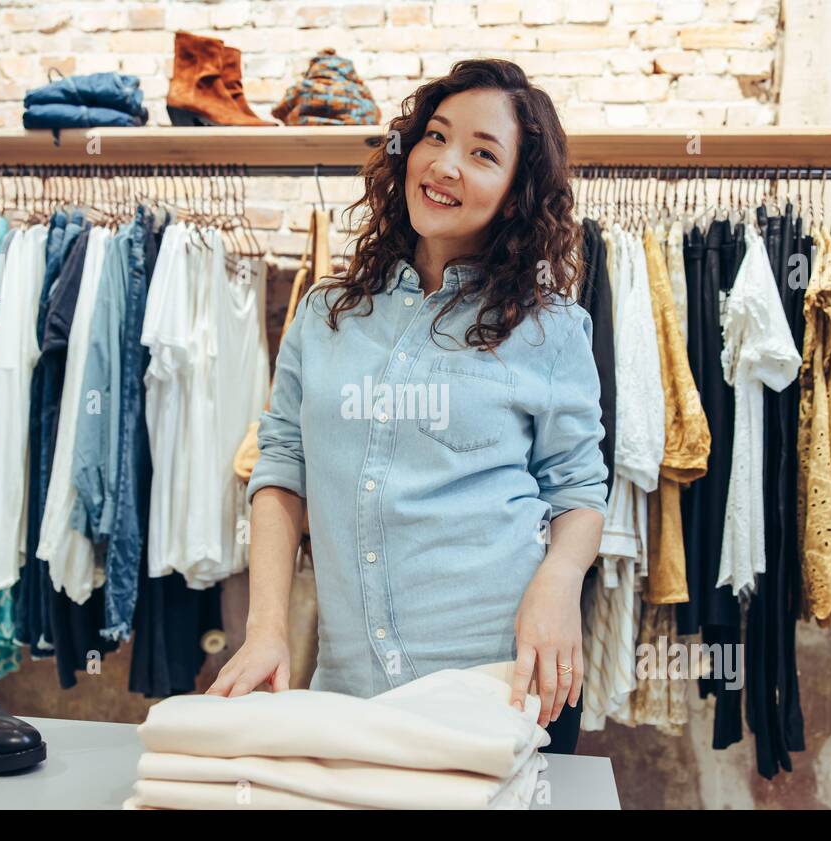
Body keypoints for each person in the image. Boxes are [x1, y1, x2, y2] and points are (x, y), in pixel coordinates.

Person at [208, 59, 609, 754]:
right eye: (435, 136)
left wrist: (561, 578)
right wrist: (267, 626)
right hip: (351, 686)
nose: (446, 164)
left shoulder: (551, 329)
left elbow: (578, 489)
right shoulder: (325, 313)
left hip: (503, 684)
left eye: (483, 153)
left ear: (517, 193)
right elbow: (281, 466)